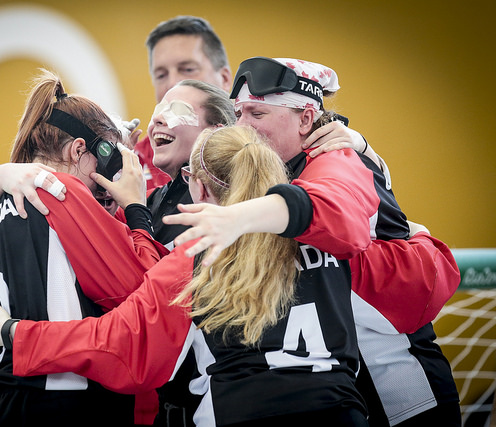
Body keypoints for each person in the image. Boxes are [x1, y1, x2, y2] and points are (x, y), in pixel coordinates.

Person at [0, 125, 371, 426]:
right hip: (341, 410)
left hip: (238, 412)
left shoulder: (194, 256)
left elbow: (119, 345)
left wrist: (14, 333)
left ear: (196, 187)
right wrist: (364, 152)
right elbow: (408, 279)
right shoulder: (333, 235)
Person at [165, 56, 462, 426]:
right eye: (238, 112)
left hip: (401, 390)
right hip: (348, 390)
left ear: (306, 119)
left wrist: (238, 222)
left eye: (256, 114)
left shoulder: (334, 159)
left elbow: (342, 221)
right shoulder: (295, 162)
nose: (241, 125)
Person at [0, 69, 169, 426]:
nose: (106, 186)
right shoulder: (62, 193)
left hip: (5, 410)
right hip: (78, 410)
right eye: (109, 167)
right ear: (79, 149)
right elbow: (143, 297)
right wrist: (135, 210)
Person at [135, 16, 233, 191]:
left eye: (188, 69)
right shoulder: (130, 162)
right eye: (161, 75)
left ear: (225, 79)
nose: (173, 83)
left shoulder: (262, 152)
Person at [144, 79, 235, 247]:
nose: (157, 118)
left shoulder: (230, 199)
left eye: (177, 110)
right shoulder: (146, 199)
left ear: (215, 132)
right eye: (159, 109)